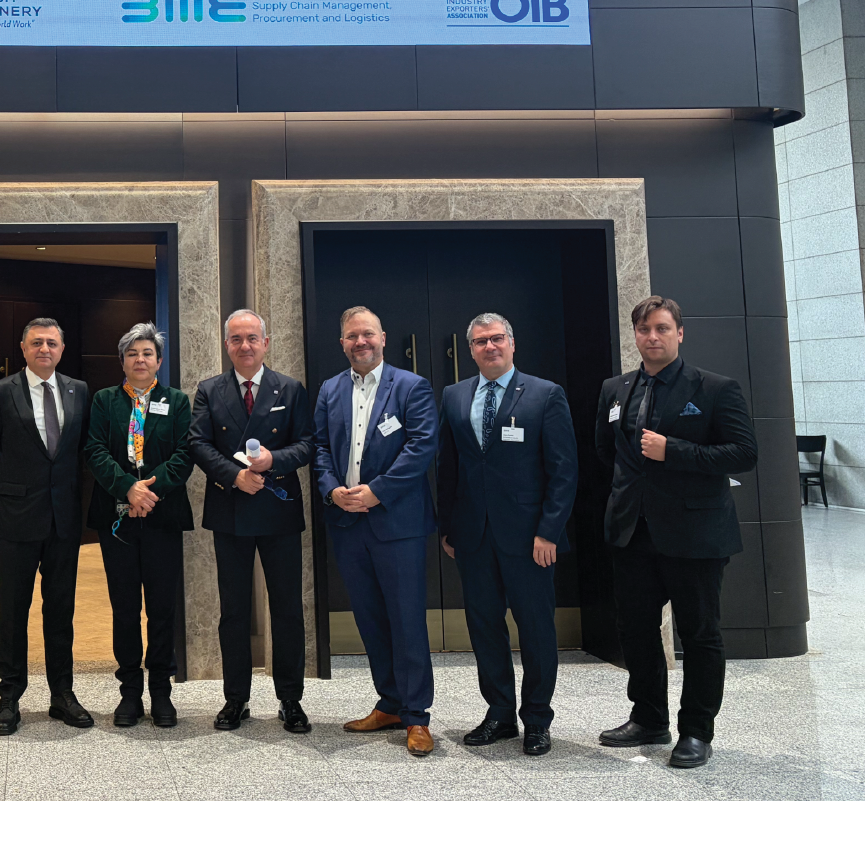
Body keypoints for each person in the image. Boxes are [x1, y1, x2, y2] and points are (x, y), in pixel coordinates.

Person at [594, 296, 757, 769]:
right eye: (644, 329)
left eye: (662, 328)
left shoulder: (714, 388)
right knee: (636, 631)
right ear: (635, 334)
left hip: (695, 534)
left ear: (680, 333)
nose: (653, 337)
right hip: (632, 532)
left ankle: (696, 732)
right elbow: (607, 451)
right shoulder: (615, 389)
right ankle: (649, 718)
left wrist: (676, 451)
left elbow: (744, 453)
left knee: (699, 634)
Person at [436, 312, 578, 757]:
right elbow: (448, 467)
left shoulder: (544, 394)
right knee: (484, 627)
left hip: (530, 539)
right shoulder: (454, 396)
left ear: (512, 343)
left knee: (535, 628)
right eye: (480, 342)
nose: (490, 347)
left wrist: (549, 531)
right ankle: (499, 713)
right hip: (473, 536)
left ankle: (536, 719)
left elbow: (563, 471)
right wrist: (448, 527)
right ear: (471, 349)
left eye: (497, 338)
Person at [312, 306, 440, 756]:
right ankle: (389, 703)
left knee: (406, 619)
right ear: (342, 343)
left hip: (397, 524)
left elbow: (422, 446)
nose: (360, 342)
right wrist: (332, 490)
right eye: (352, 336)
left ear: (383, 338)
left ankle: (417, 716)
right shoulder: (330, 389)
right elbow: (320, 448)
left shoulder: (411, 386)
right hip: (348, 523)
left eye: (367, 334)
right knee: (370, 618)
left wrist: (376, 492)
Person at [186, 308, 314, 734]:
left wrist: (274, 459)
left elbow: (308, 444)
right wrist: (234, 476)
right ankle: (235, 698)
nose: (245, 346)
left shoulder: (290, 388)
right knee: (234, 610)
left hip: (278, 508)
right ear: (227, 345)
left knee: (287, 609)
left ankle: (290, 699)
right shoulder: (210, 390)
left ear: (265, 343)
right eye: (236, 339)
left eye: (252, 338)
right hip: (231, 509)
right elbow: (198, 443)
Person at [0, 317, 91, 734]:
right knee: (13, 611)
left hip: (63, 519)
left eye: (52, 343)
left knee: (61, 610)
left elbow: (81, 452)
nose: (45, 349)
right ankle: (9, 697)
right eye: (37, 343)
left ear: (62, 349)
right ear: (23, 348)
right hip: (15, 520)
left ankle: (62, 694)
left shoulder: (78, 390)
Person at [85, 322, 194, 728]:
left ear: (159, 361)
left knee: (162, 608)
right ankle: (130, 691)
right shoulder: (104, 401)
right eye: (132, 353)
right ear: (122, 362)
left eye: (147, 353)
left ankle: (161, 690)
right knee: (125, 607)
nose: (140, 360)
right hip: (118, 518)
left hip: (162, 517)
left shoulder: (177, 401)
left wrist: (149, 492)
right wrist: (128, 489)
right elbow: (95, 450)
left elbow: (185, 453)